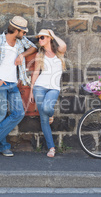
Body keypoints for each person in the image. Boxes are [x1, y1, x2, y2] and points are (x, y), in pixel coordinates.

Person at [0, 16, 37, 157]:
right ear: (16, 30)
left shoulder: (20, 41)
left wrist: (22, 55)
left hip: (13, 83)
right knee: (0, 115)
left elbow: (33, 47)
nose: (25, 35)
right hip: (0, 83)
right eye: (23, 32)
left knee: (18, 113)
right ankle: (3, 147)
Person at [29, 29, 67, 158]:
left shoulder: (59, 53)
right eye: (39, 38)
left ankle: (51, 114)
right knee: (43, 119)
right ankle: (51, 148)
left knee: (46, 108)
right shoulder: (39, 55)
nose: (40, 40)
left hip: (53, 88)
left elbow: (63, 46)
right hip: (39, 87)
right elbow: (35, 73)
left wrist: (53, 34)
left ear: (49, 38)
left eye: (43, 37)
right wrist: (31, 91)